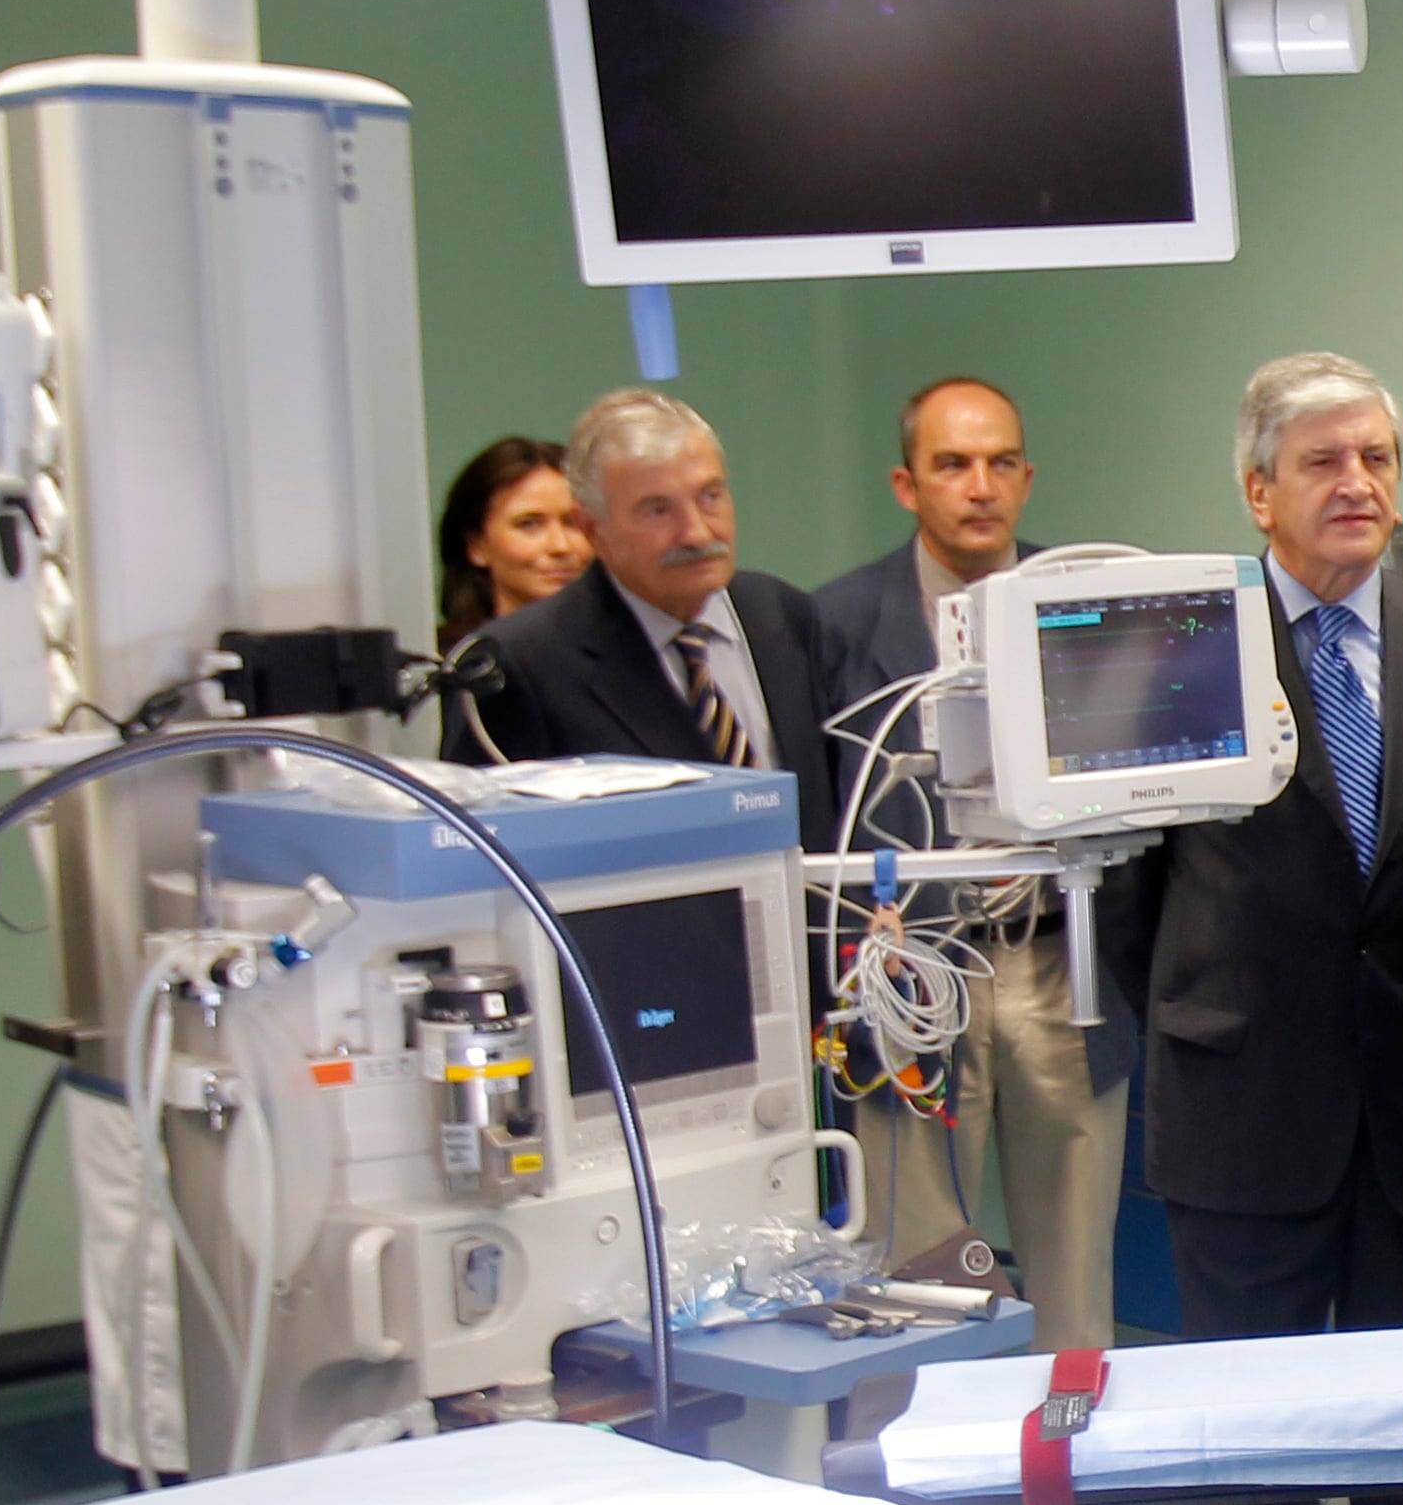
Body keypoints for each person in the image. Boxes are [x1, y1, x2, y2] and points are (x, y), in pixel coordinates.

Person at [1106, 354, 1403, 1505]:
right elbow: (1127, 905)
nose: (1357, 484)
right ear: (1255, 488)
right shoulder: (1179, 648)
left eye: (1377, 459)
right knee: (1251, 1450)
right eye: (1324, 462)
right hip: (1245, 1115)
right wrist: (1205, 1020)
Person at [812, 378, 1134, 1345]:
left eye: (1000, 462)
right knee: (911, 1271)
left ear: (1028, 477)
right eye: (953, 464)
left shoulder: (1086, 605)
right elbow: (825, 808)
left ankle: (1075, 1482)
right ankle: (901, 1481)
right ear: (908, 485)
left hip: (1057, 961)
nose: (980, 485)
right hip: (915, 974)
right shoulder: (835, 623)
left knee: (1076, 1262)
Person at [446, 388, 848, 851]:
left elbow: (833, 805)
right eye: (658, 510)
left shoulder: (780, 612)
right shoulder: (520, 664)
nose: (697, 532)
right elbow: (485, 861)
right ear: (594, 529)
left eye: (710, 496)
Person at [435, 435, 586, 647]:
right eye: (529, 524)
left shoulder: (630, 652)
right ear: (476, 545)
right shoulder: (448, 667)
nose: (560, 546)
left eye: (573, 523)